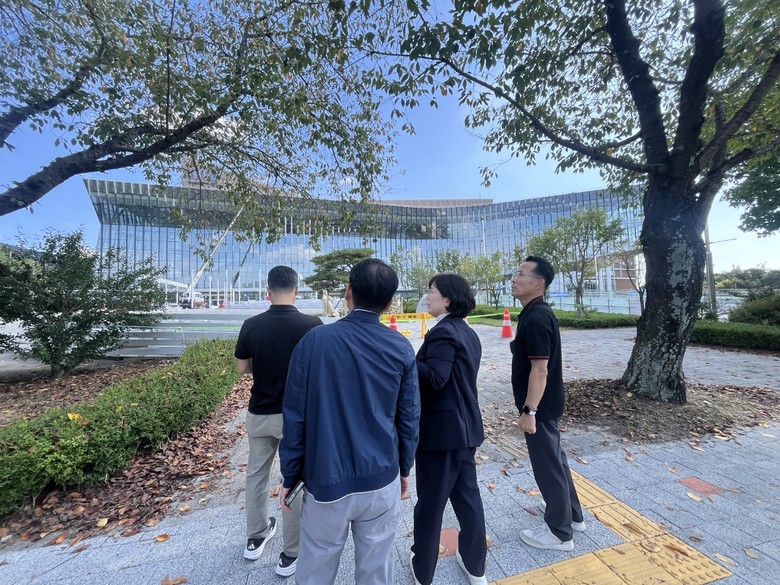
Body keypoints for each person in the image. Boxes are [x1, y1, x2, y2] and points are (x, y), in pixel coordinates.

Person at [279, 259, 420, 585]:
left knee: (316, 567)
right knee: (376, 569)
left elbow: (295, 417)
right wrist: (405, 468)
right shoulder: (400, 347)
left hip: (326, 481)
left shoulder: (315, 341)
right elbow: (409, 418)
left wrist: (290, 473)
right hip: (381, 478)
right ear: (389, 303)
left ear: (348, 292)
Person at [234, 266, 323, 575]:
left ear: (268, 292)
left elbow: (242, 368)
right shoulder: (312, 325)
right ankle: (291, 553)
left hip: (259, 412)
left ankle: (255, 537)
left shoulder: (251, 325)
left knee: (256, 476)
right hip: (295, 418)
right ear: (296, 291)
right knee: (293, 479)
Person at [410, 274, 488, 585]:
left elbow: (436, 377)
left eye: (431, 291)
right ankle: (476, 567)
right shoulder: (467, 332)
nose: (427, 297)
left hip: (442, 435)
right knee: (468, 500)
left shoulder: (443, 333)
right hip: (466, 430)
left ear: (448, 300)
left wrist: (404, 359)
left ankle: (423, 571)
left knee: (430, 505)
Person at [510, 256, 584, 552]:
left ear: (538, 283)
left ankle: (559, 533)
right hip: (547, 403)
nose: (514, 278)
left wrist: (529, 411)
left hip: (540, 406)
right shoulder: (534, 313)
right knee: (556, 461)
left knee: (548, 466)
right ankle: (573, 515)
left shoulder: (537, 318)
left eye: (521, 274)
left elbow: (540, 370)